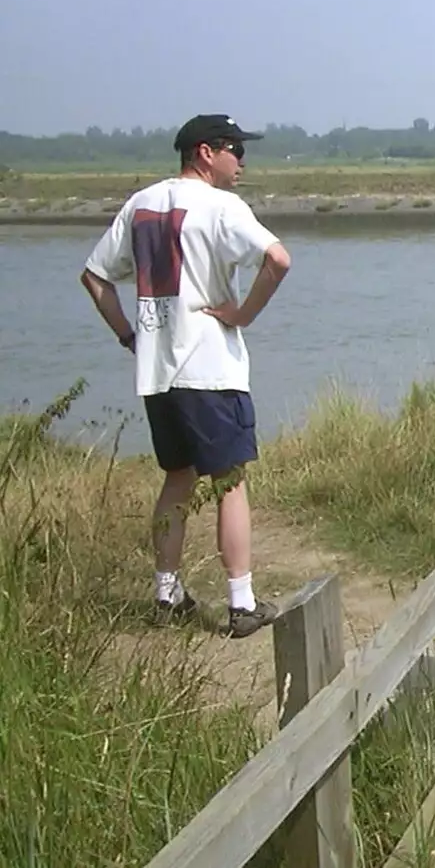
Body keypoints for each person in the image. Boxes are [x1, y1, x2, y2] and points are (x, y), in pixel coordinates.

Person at [80, 114, 293, 638]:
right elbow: (278, 259)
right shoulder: (221, 206)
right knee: (231, 481)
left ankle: (167, 593)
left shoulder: (141, 204)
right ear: (204, 152)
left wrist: (130, 336)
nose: (242, 160)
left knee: (178, 478)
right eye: (234, 149)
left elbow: (94, 275)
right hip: (210, 368)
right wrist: (242, 315)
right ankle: (242, 604)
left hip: (159, 372)